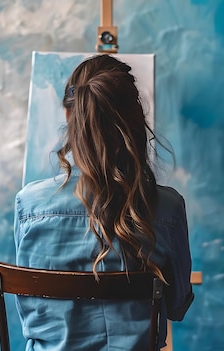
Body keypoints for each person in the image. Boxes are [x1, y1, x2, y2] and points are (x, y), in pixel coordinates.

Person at [14, 54, 193, 350]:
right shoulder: (167, 209)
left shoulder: (29, 205)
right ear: (135, 120)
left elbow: (31, 311)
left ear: (70, 117)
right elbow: (177, 307)